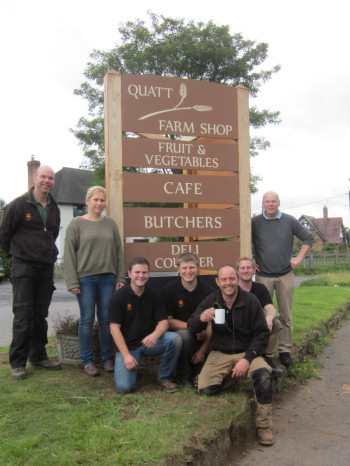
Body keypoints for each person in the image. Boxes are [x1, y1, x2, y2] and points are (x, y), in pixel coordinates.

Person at [188, 265, 274, 446]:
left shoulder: (250, 300)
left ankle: (263, 426)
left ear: (237, 280)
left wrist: (247, 358)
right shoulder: (211, 300)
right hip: (220, 352)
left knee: (263, 376)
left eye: (232, 279)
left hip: (247, 351)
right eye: (224, 280)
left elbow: (261, 334)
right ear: (218, 282)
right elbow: (191, 326)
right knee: (205, 389)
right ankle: (231, 378)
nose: (229, 283)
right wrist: (200, 319)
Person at [0, 165, 61, 380]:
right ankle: (18, 363)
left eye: (50, 178)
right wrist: (17, 256)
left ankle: (38, 356)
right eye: (43, 177)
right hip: (23, 267)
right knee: (23, 315)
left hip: (45, 267)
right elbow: (4, 235)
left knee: (40, 314)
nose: (47, 181)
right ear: (34, 178)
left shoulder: (54, 207)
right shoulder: (18, 205)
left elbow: (51, 235)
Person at [64, 186, 126, 377]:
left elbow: (118, 252)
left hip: (108, 278)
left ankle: (107, 358)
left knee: (107, 320)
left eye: (102, 200)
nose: (99, 204)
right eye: (96, 200)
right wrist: (72, 281)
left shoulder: (110, 224)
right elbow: (69, 255)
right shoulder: (76, 224)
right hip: (85, 279)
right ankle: (88, 360)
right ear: (88, 201)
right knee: (87, 320)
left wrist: (120, 277)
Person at [252, 191, 314, 367]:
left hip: (285, 275)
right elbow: (244, 239)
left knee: (286, 315)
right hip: (263, 277)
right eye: (267, 201)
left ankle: (285, 350)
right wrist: (249, 262)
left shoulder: (289, 221)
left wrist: (298, 258)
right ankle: (263, 350)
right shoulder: (255, 222)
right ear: (262, 204)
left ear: (278, 203)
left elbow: (309, 238)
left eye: (273, 201)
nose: (270, 204)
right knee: (263, 315)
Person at [108, 257, 182, 394]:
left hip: (150, 343)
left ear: (148, 274)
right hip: (128, 347)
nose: (140, 276)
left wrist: (155, 335)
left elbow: (164, 322)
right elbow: (114, 328)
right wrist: (126, 356)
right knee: (124, 388)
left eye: (144, 272)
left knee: (174, 339)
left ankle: (164, 378)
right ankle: (133, 367)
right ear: (129, 274)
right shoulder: (118, 297)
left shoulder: (154, 295)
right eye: (137, 272)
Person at [163, 253, 215, 386]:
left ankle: (199, 374)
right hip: (181, 332)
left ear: (198, 268)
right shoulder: (169, 290)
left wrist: (203, 349)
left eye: (191, 267)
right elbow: (168, 321)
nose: (188, 271)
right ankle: (183, 377)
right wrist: (193, 327)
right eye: (184, 268)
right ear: (178, 270)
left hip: (204, 335)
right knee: (185, 336)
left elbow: (211, 322)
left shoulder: (208, 290)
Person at [236, 257, 282, 370]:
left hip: (255, 324)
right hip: (237, 325)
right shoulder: (232, 288)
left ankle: (267, 356)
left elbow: (270, 308)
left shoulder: (260, 288)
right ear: (237, 271)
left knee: (276, 323)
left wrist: (269, 318)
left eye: (248, 268)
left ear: (254, 270)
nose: (246, 271)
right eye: (242, 268)